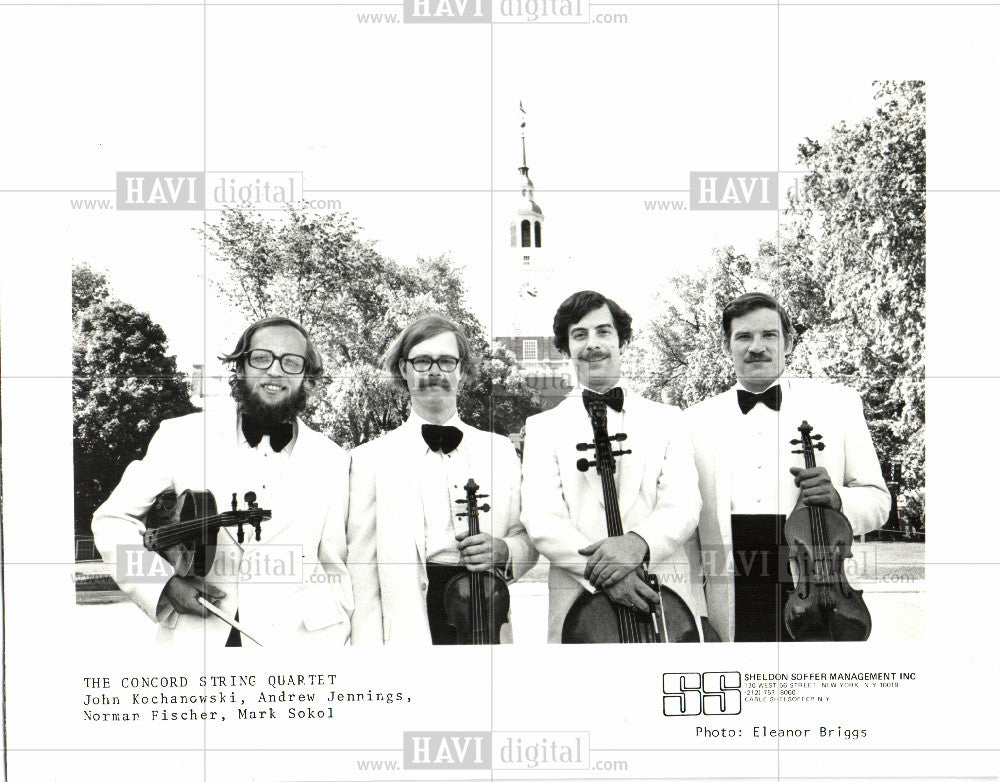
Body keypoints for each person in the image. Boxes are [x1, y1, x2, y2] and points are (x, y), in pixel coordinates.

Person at [92, 316, 353, 648]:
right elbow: (112, 520)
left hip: (304, 645)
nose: (275, 371)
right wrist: (165, 584)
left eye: (291, 362)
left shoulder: (334, 459)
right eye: (261, 358)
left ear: (307, 378)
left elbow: (336, 564)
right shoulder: (180, 435)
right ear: (240, 367)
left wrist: (338, 639)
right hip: (197, 640)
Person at [685, 292, 890, 642]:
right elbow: (687, 533)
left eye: (769, 335)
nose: (757, 347)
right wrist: (697, 612)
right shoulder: (693, 421)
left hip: (818, 590)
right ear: (726, 345)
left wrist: (839, 499)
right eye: (744, 337)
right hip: (732, 592)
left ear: (789, 342)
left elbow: (878, 501)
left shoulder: (838, 405)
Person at [520, 290, 707, 643]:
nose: (593, 344)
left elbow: (683, 505)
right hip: (580, 603)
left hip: (665, 596)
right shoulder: (542, 427)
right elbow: (542, 520)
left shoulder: (668, 419)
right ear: (565, 348)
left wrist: (638, 544)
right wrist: (608, 574)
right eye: (580, 335)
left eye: (604, 332)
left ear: (622, 341)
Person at [346, 314, 537, 645]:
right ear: (404, 369)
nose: (435, 371)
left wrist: (505, 550)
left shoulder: (501, 450)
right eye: (422, 361)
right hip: (408, 627)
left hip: (484, 613)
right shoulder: (368, 460)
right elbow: (361, 572)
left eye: (446, 361)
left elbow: (528, 536)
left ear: (461, 370)